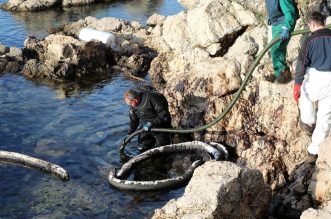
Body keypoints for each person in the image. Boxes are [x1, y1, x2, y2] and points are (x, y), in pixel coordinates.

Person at [293, 11, 331, 155]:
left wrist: (297, 83)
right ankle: (314, 151)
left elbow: (302, 64)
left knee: (305, 97)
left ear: (312, 24)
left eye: (309, 25)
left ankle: (308, 122)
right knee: (325, 116)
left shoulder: (309, 41)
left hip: (317, 79)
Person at [265, 0, 299, 83]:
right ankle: (279, 73)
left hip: (284, 23)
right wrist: (270, 16)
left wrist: (287, 27)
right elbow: (273, 7)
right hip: (276, 23)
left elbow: (289, 12)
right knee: (278, 49)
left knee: (276, 47)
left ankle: (283, 73)